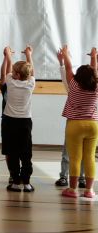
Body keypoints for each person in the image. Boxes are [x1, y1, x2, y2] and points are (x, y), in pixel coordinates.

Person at [57, 45, 98, 199]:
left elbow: (68, 68)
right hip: (93, 125)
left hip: (74, 125)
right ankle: (89, 190)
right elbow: (94, 71)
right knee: (90, 158)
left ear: (78, 76)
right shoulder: (96, 86)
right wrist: (93, 57)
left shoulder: (73, 85)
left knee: (75, 158)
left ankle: (72, 190)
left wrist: (65, 54)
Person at [0, 45, 36, 192]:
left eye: (14, 72)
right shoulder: (30, 83)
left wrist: (8, 55)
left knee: (12, 152)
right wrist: (29, 55)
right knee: (26, 153)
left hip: (9, 121)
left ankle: (15, 182)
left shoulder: (11, 81)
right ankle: (26, 183)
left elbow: (8, 71)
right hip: (25, 122)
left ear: (17, 75)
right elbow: (31, 71)